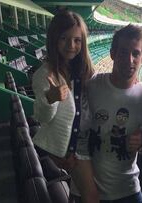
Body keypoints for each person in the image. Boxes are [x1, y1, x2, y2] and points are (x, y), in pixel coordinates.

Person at [74, 24, 142, 203]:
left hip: (128, 190)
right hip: (87, 192)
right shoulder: (91, 86)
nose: (130, 60)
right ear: (112, 54)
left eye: (136, 53)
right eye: (123, 52)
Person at [31, 10, 98, 203]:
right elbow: (43, 118)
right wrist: (50, 99)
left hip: (86, 143)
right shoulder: (45, 74)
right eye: (64, 38)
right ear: (53, 39)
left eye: (77, 40)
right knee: (91, 196)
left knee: (79, 193)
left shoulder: (83, 69)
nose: (71, 45)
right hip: (67, 149)